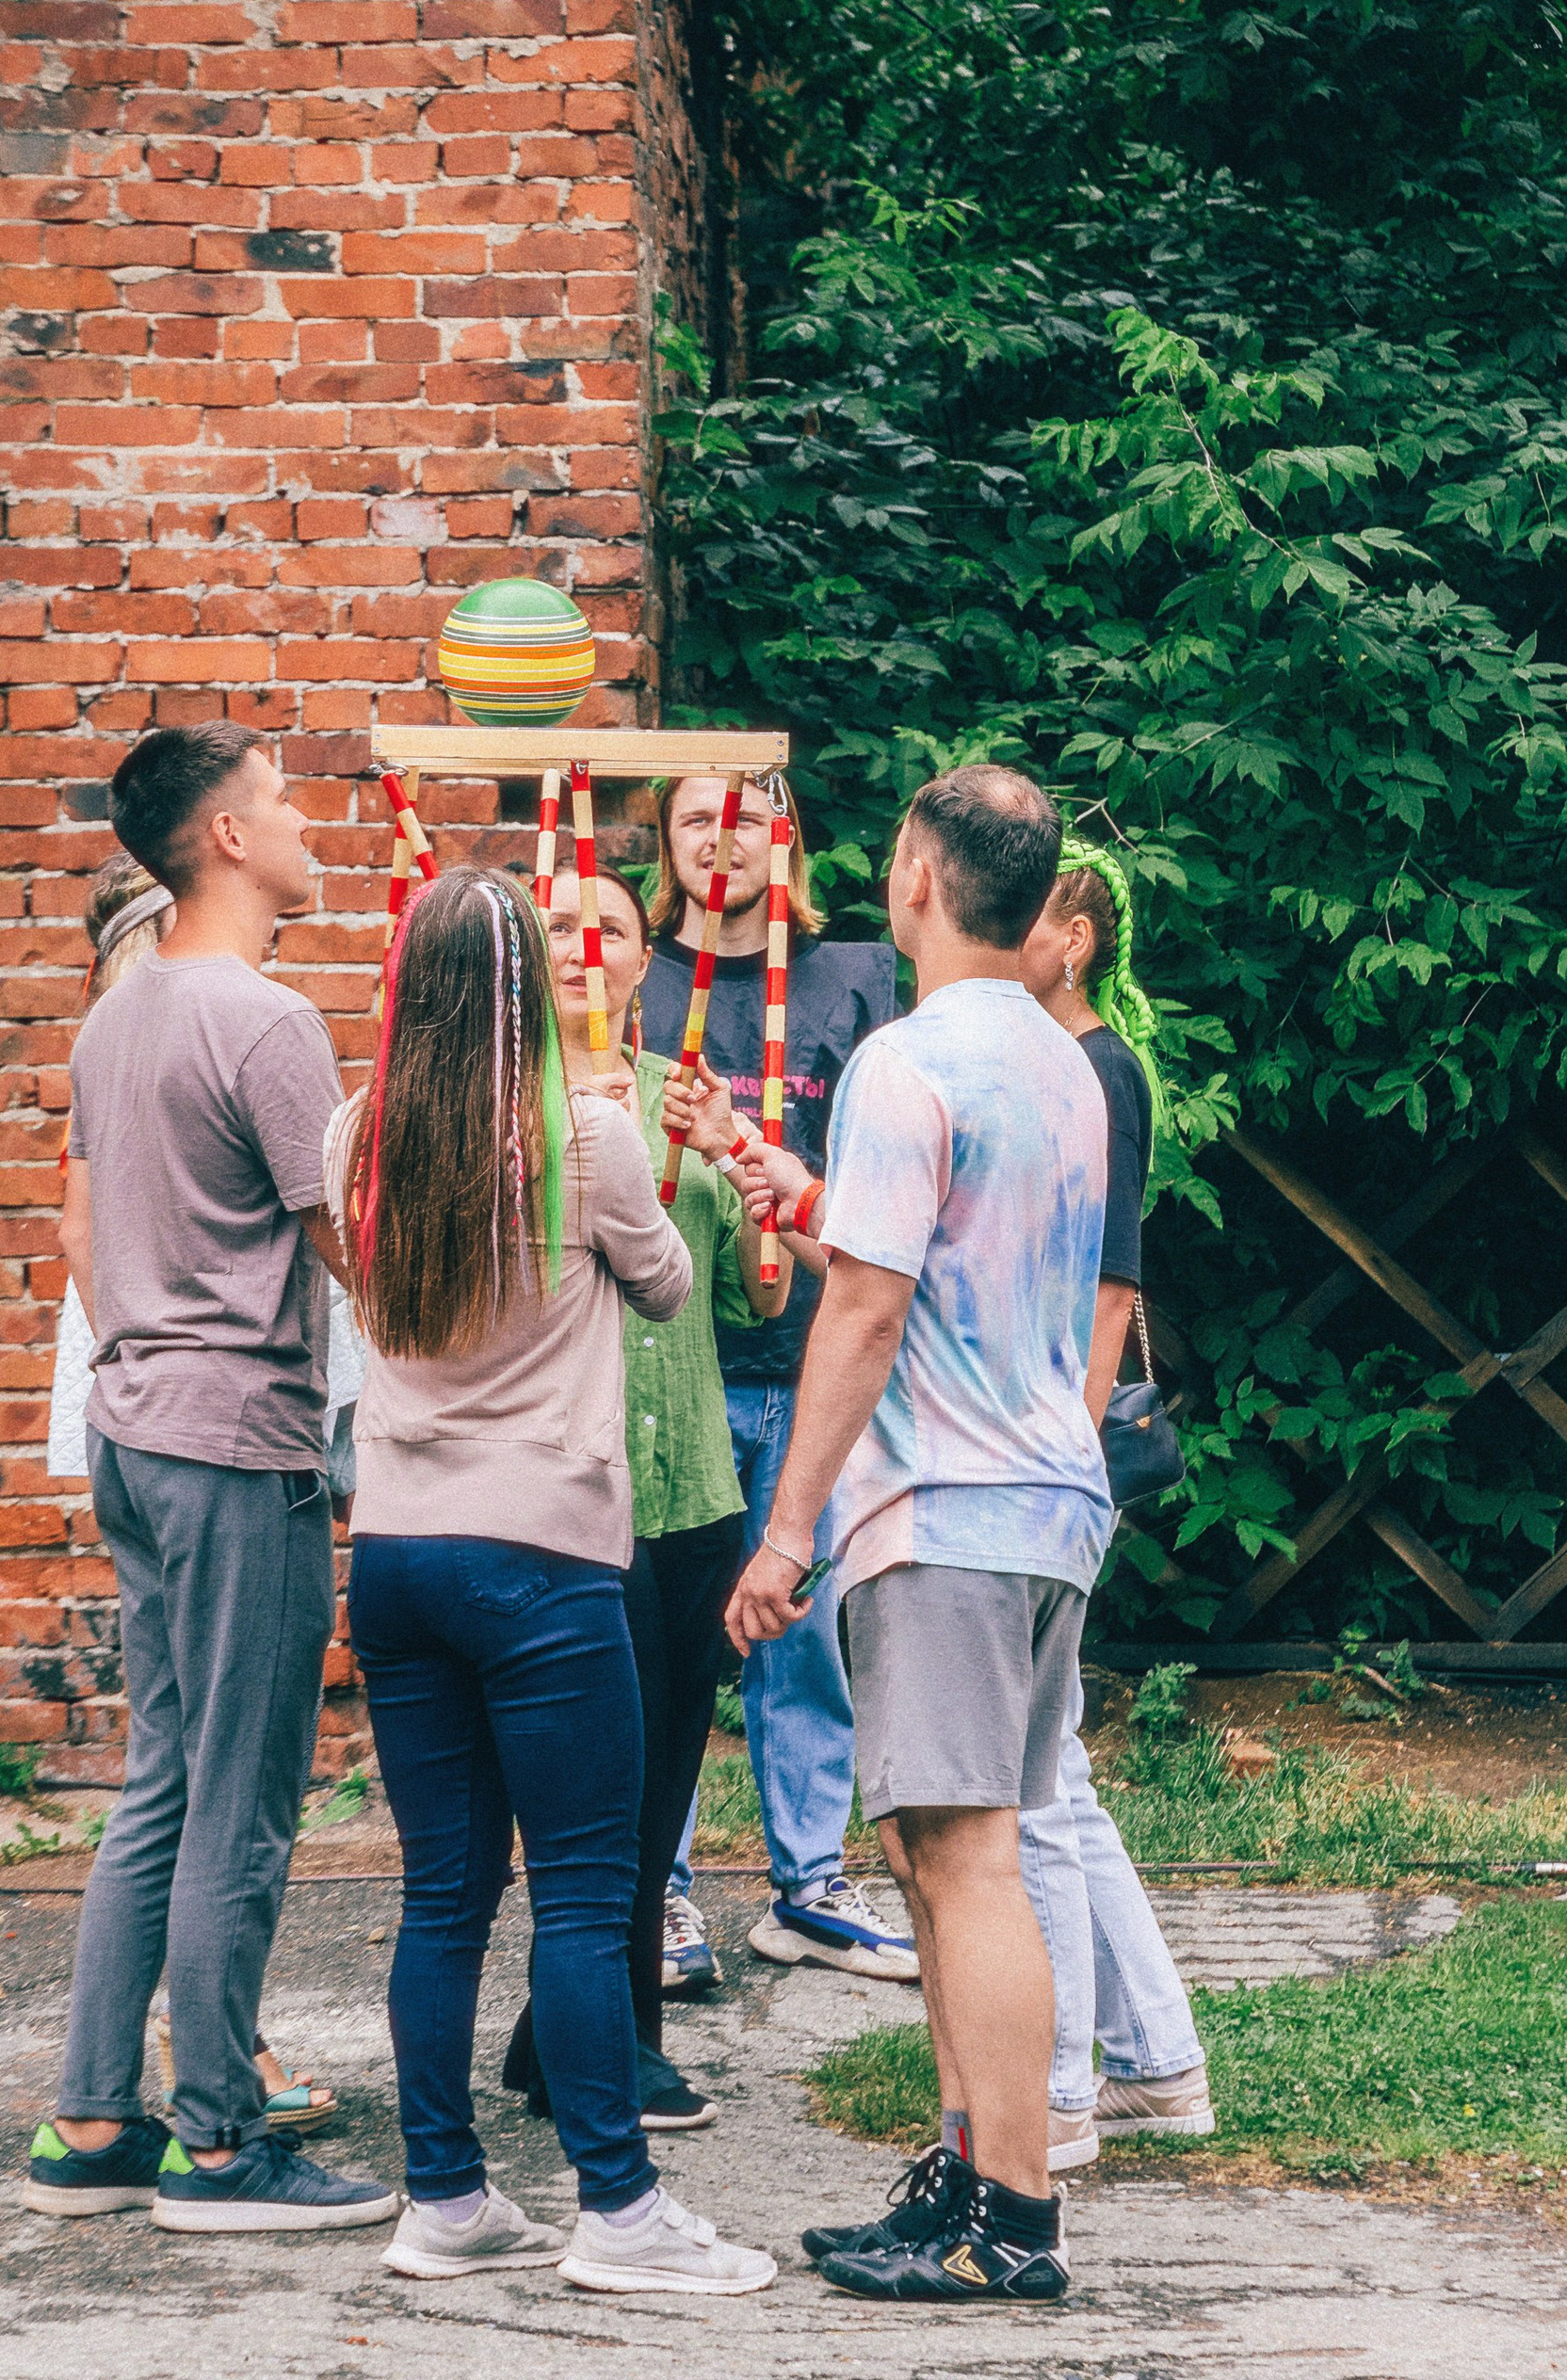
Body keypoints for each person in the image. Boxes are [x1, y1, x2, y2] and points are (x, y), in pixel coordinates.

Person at [334, 861, 774, 2299]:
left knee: (443, 1894)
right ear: (531, 983)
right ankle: (619, 2209)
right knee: (586, 1895)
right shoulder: (587, 1139)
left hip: (396, 1554)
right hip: (543, 1561)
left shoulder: (355, 1135)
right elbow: (671, 1284)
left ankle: (445, 2196)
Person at [729, 762, 1109, 2308]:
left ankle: (1013, 2215)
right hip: (1044, 1497)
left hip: (948, 1506)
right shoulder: (1066, 1064)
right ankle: (963, 2171)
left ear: (915, 877)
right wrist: (809, 1200)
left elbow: (871, 1310)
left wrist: (786, 1533)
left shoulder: (904, 1058)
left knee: (966, 1857)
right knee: (932, 1847)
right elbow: (934, 1263)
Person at [22, 724, 395, 2235]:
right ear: (228, 835)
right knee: (242, 1799)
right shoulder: (268, 1018)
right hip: (237, 1444)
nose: (307, 824)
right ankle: (225, 2144)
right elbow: (345, 1237)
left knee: (164, 1779)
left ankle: (92, 2117)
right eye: (285, 801)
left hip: (132, 1429)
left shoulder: (114, 1019)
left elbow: (94, 1231)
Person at [497, 865, 788, 2135]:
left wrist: (738, 1160)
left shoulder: (687, 1099)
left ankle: (562, 2036)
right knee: (595, 1789)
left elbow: (758, 1298)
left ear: (640, 959)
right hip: (573, 1492)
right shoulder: (505, 1106)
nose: (583, 945)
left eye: (608, 926)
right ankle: (612, 2044)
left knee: (664, 1781)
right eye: (559, 926)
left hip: (695, 1495)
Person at [639, 777, 913, 1989]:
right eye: (696, 820)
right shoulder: (632, 981)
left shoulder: (852, 979)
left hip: (814, 1358)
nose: (722, 840)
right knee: (668, 1638)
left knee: (802, 1639)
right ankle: (661, 1889)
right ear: (666, 844)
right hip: (681, 1363)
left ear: (784, 838)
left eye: (745, 818)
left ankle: (809, 1884)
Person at [1017, 848, 1213, 2170]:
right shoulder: (1065, 1065)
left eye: (1028, 917)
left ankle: (1066, 2087)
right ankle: (1157, 2060)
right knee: (1059, 1768)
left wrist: (1071, 1442)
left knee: (1035, 1779)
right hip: (1047, 1444)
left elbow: (1111, 1279)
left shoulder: (1098, 1072)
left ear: (1076, 938)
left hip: (1054, 1451)